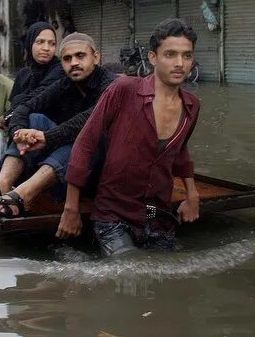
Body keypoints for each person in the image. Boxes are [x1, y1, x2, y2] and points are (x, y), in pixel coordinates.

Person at [58, 19, 202, 257]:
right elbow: (85, 143)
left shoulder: (191, 106)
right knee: (128, 269)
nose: (180, 64)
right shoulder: (123, 90)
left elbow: (181, 151)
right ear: (153, 58)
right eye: (170, 54)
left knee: (169, 269)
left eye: (187, 56)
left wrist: (192, 194)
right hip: (113, 213)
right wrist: (71, 208)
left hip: (157, 213)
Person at [0, 33, 118, 217]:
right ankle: (3, 182)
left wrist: (47, 138)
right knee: (35, 119)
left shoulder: (112, 85)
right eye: (67, 58)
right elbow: (26, 106)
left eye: (80, 56)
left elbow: (92, 118)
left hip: (102, 169)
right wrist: (18, 133)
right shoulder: (65, 84)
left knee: (84, 138)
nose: (74, 62)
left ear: (96, 57)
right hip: (70, 164)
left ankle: (24, 194)